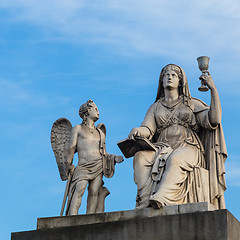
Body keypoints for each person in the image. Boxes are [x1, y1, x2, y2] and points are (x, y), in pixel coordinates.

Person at [128, 64, 227, 210]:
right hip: (162, 148)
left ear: (180, 81)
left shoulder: (191, 103)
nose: (169, 77)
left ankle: (162, 196)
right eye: (166, 75)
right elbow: (148, 129)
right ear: (161, 81)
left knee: (176, 158)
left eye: (174, 75)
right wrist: (138, 131)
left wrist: (213, 90)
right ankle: (144, 200)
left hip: (189, 148)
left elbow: (214, 119)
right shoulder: (155, 107)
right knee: (140, 157)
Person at [65, 100, 123, 215]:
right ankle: (72, 217)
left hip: (98, 164)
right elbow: (71, 147)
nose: (98, 112)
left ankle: (89, 217)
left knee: (94, 191)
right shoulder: (78, 128)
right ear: (87, 111)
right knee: (80, 188)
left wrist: (114, 158)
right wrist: (68, 163)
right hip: (83, 166)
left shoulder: (100, 132)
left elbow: (104, 153)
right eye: (95, 109)